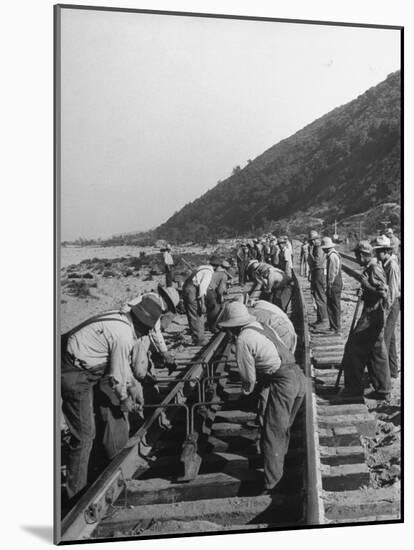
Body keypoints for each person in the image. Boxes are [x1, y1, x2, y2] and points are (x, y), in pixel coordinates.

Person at [61, 298, 162, 501]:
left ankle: (95, 467)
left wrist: (133, 385)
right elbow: (116, 378)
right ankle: (77, 495)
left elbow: (121, 364)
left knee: (96, 421)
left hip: (86, 366)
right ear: (142, 325)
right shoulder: (124, 335)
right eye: (146, 330)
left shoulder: (122, 321)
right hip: (73, 372)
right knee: (84, 434)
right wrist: (125, 399)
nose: (145, 334)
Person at [218, 302, 305, 493]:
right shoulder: (260, 326)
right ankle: (278, 469)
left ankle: (272, 483)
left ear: (232, 326)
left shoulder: (243, 340)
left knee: (272, 433)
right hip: (299, 377)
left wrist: (244, 393)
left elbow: (249, 379)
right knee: (282, 428)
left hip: (284, 382)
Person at [341, 241, 391, 399]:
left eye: (357, 255)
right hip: (374, 313)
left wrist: (365, 284)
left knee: (353, 349)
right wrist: (365, 289)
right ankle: (383, 390)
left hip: (372, 314)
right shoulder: (372, 268)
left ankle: (354, 389)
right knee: (376, 352)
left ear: (363, 254)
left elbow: (382, 292)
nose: (356, 258)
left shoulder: (374, 268)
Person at [121, 285, 180, 366]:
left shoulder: (152, 296)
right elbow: (155, 332)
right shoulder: (156, 304)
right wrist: (165, 353)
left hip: (124, 321)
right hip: (128, 326)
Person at [373, 235, 401, 379]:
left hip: (392, 303)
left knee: (384, 339)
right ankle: (393, 370)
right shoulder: (387, 264)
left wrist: (386, 308)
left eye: (378, 251)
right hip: (392, 303)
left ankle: (383, 377)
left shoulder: (392, 266)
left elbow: (393, 290)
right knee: (391, 338)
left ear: (385, 251)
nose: (377, 254)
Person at [182, 256, 221, 345]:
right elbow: (202, 289)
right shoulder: (208, 272)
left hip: (187, 288)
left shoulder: (201, 268)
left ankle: (196, 336)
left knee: (192, 313)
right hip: (192, 291)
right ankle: (199, 339)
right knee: (197, 313)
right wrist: (202, 304)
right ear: (216, 267)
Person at [321, 237, 343, 334]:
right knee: (333, 305)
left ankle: (335, 327)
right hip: (336, 282)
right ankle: (333, 326)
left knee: (333, 305)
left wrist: (328, 286)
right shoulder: (333, 255)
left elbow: (332, 273)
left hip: (334, 283)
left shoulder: (332, 256)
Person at [307, 230, 328, 329]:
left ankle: (323, 320)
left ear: (317, 239)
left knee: (319, 296)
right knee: (317, 295)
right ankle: (320, 319)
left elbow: (317, 262)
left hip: (319, 272)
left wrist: (310, 254)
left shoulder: (318, 248)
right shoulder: (316, 248)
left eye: (313, 240)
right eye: (311, 241)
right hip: (316, 272)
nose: (311, 242)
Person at [205, 261, 228, 332]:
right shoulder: (223, 275)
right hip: (210, 291)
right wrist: (221, 296)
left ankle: (208, 325)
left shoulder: (212, 272)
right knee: (215, 309)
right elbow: (220, 290)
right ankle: (213, 326)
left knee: (208, 309)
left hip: (203, 290)